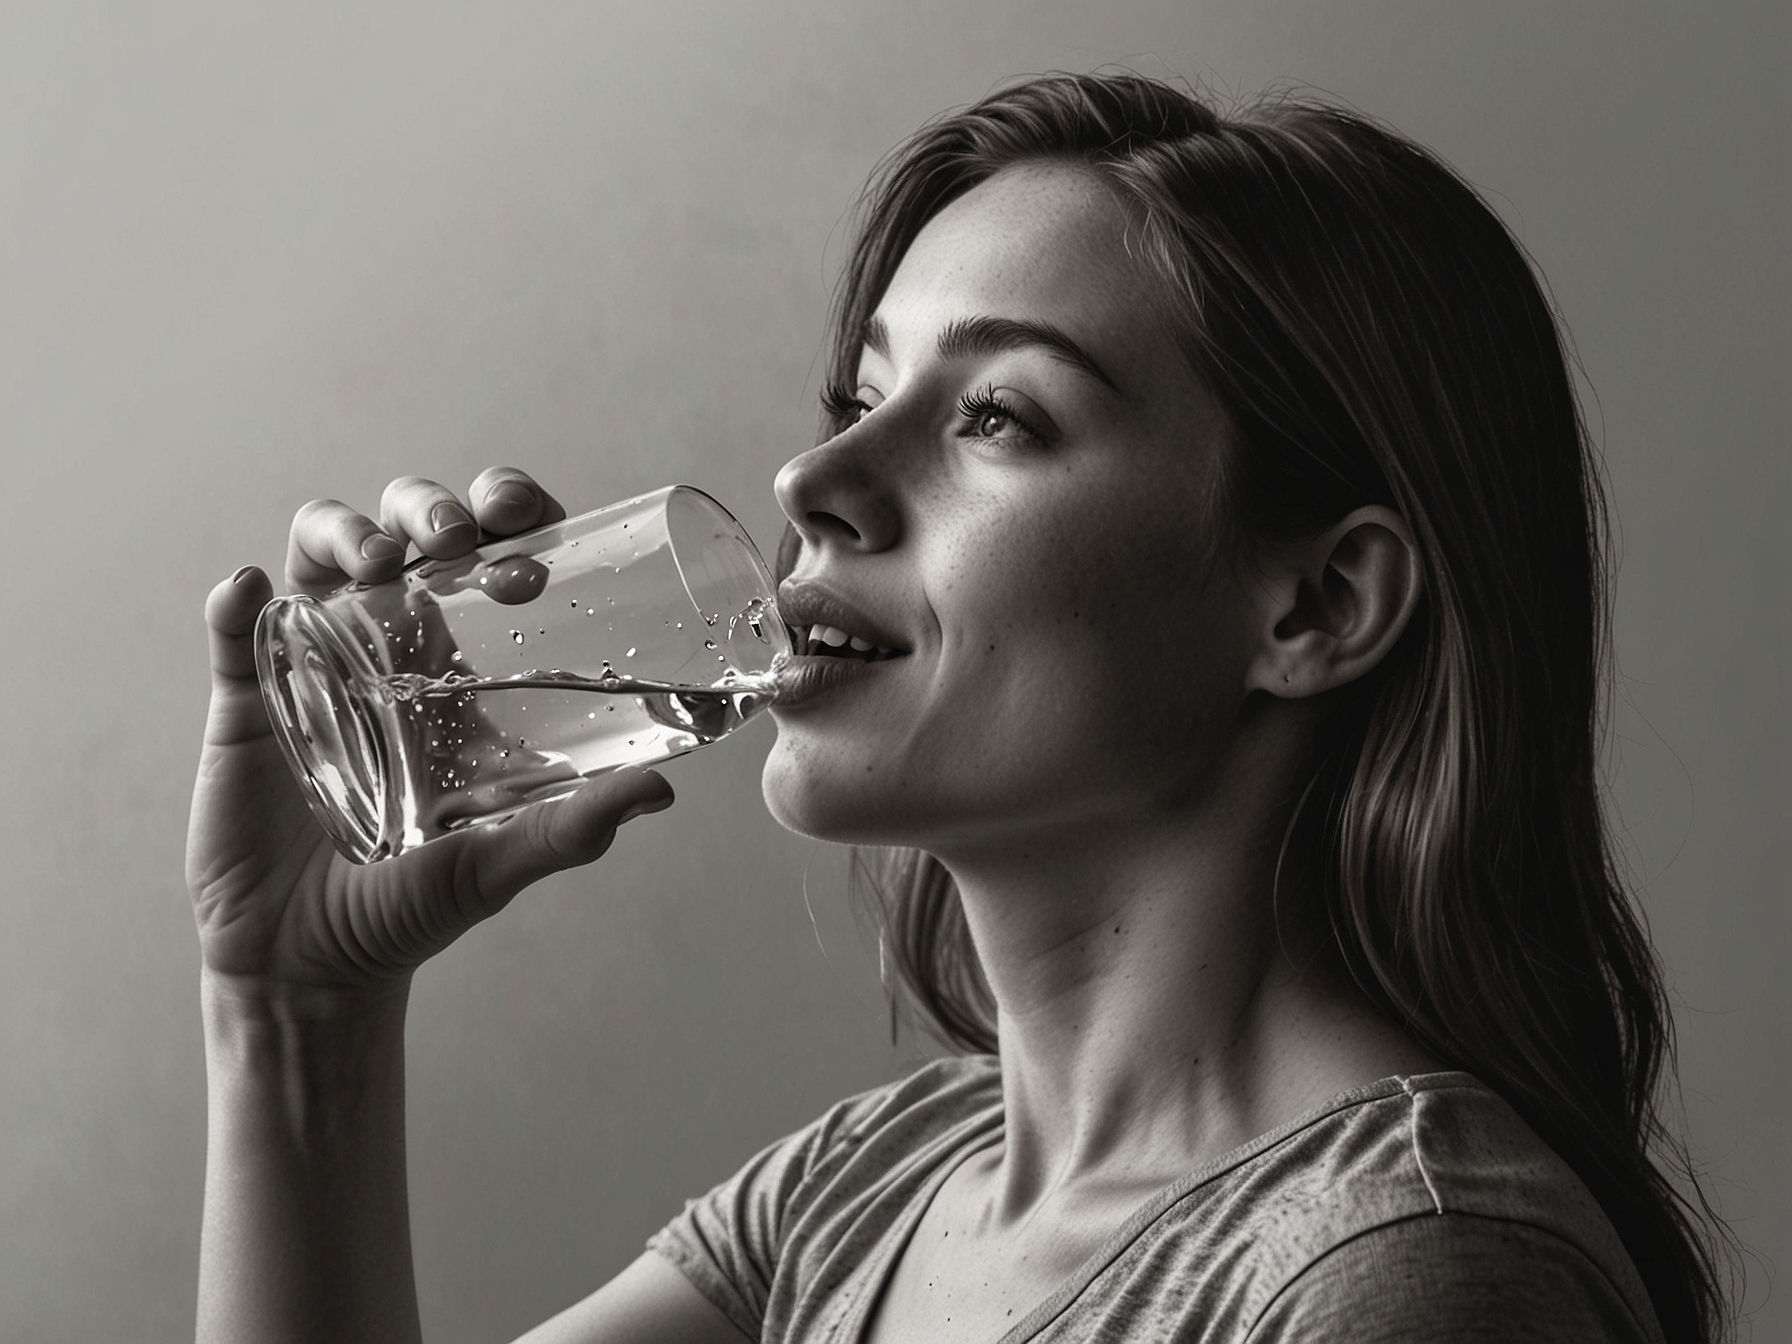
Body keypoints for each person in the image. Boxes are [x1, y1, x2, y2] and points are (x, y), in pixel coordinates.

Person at [186, 72, 1729, 1343]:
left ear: (1318, 608)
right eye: (863, 400)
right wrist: (292, 1016)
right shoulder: (859, 1201)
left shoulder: (1400, 1275)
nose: (812, 484)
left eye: (997, 415)